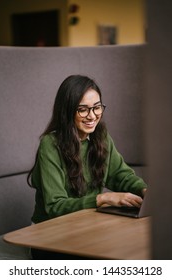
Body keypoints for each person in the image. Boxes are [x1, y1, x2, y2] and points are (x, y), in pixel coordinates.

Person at [28, 74, 147, 259]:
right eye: (82, 109)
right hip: (50, 237)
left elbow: (120, 175)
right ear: (67, 111)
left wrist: (145, 191)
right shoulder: (50, 144)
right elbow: (55, 206)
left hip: (88, 228)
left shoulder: (101, 136)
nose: (92, 116)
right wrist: (102, 199)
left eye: (97, 107)